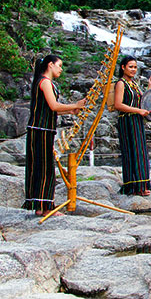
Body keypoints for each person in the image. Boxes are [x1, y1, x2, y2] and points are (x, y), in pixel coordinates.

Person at [23, 55, 86, 216]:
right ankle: (46, 207)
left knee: (41, 166)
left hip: (43, 129)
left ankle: (40, 205)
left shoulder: (46, 82)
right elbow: (53, 105)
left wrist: (71, 110)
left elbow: (52, 108)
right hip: (41, 129)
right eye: (59, 65)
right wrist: (75, 105)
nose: (61, 69)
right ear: (50, 65)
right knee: (45, 168)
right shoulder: (45, 82)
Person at [114, 56, 151, 196]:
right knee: (132, 151)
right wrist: (138, 111)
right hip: (127, 120)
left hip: (137, 120)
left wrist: (150, 86)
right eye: (130, 67)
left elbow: (143, 99)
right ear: (123, 67)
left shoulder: (134, 84)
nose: (133, 70)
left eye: (135, 67)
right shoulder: (121, 83)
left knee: (140, 151)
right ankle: (133, 186)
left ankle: (142, 185)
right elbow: (118, 104)